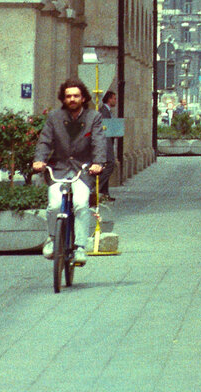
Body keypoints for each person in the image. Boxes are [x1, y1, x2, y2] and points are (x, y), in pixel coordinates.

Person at [31, 79, 107, 265]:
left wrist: (98, 163)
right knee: (54, 205)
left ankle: (80, 247)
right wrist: (39, 160)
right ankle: (51, 238)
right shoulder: (55, 117)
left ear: (83, 98)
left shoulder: (93, 117)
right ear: (63, 99)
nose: (72, 99)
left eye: (76, 96)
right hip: (59, 168)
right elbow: (45, 141)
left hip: (82, 170)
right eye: (68, 96)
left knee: (81, 204)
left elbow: (99, 141)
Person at [96, 90, 119, 200]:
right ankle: (96, 188)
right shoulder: (103, 111)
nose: (115, 101)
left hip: (109, 140)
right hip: (105, 141)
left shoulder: (108, 111)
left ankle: (105, 193)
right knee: (110, 163)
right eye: (114, 98)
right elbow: (105, 128)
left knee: (106, 164)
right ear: (109, 99)